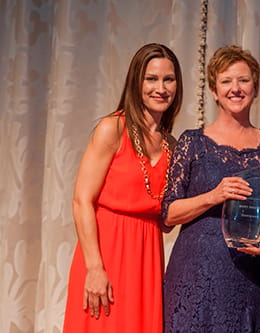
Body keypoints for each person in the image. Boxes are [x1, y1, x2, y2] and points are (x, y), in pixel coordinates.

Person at [161, 45, 260, 332]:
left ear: (256, 87)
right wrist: (214, 195)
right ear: (214, 91)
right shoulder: (192, 142)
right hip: (197, 274)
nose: (235, 89)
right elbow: (168, 213)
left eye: (243, 80)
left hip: (254, 276)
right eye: (226, 81)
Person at [63, 43, 183, 333]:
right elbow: (82, 200)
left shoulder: (172, 146)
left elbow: (167, 217)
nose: (161, 87)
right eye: (151, 79)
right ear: (136, 82)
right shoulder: (113, 128)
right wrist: (94, 267)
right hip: (106, 254)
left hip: (146, 261)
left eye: (168, 79)